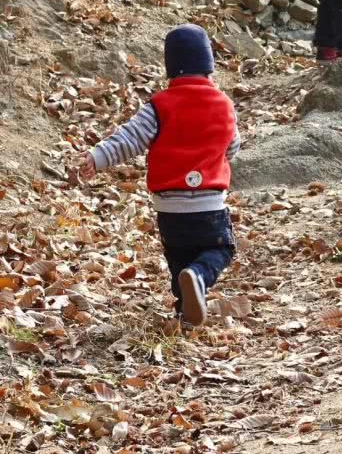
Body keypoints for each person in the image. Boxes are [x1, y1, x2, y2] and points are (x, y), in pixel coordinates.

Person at [78, 24, 240, 327]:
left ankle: (186, 312)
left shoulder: (159, 106)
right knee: (221, 248)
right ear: (209, 68)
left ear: (171, 70)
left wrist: (96, 158)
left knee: (179, 259)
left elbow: (129, 139)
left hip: (170, 210)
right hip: (209, 205)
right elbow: (232, 146)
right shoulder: (225, 105)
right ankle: (199, 278)